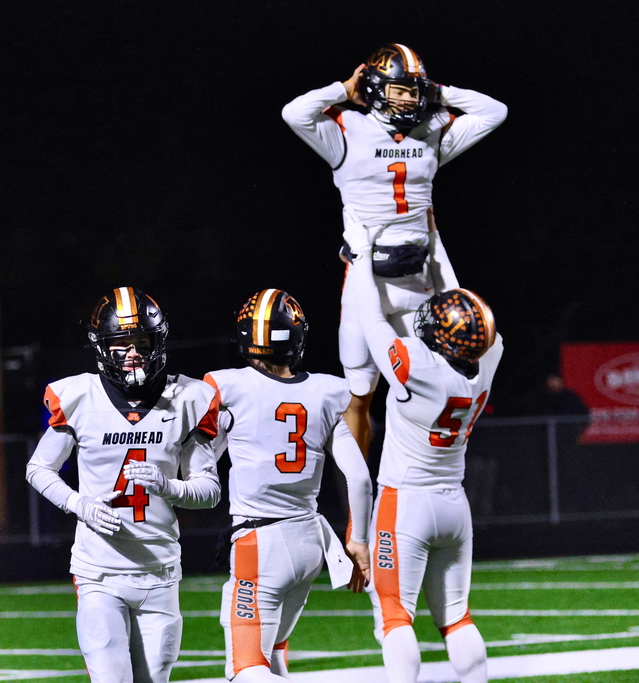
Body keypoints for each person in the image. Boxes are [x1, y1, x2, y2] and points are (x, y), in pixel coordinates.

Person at [281, 43, 507, 455]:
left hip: (419, 282)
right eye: (400, 89)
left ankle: (409, 485)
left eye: (415, 90)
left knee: (425, 387)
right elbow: (293, 113)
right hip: (367, 281)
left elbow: (495, 111)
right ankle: (357, 502)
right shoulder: (346, 128)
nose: (410, 98)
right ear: (373, 86)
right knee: (360, 392)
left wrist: (439, 91)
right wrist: (342, 88)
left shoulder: (432, 129)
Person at [25, 287, 222, 683]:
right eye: (121, 343)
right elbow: (38, 468)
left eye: (142, 341)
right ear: (102, 348)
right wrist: (80, 505)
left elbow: (210, 490)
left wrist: (170, 487)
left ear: (158, 341)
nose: (133, 352)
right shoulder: (80, 396)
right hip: (99, 573)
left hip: (160, 571)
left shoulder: (189, 397)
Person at [342, 215, 503, 683]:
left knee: (394, 618)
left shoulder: (417, 366)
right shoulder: (488, 356)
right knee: (456, 617)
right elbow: (459, 303)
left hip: (404, 502)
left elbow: (371, 317)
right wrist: (436, 242)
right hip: (455, 504)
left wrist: (359, 258)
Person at [203, 288, 373, 682]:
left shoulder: (228, 386)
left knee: (245, 668)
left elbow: (202, 461)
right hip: (309, 541)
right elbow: (360, 477)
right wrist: (359, 542)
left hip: (258, 542)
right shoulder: (326, 392)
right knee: (274, 647)